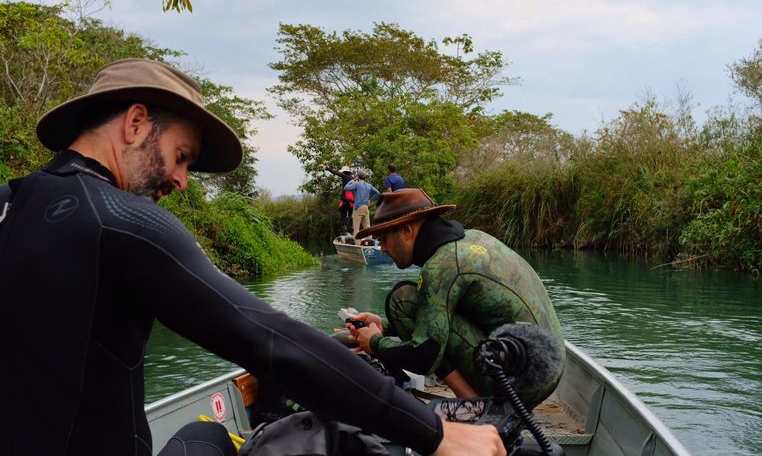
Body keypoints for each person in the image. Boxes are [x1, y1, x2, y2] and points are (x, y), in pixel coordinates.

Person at [0, 59, 505, 456]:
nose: (180, 181)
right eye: (182, 157)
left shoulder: (9, 201)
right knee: (220, 438)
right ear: (135, 123)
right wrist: (435, 433)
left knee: (208, 436)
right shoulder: (123, 221)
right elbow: (273, 341)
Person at [348, 188, 565, 409]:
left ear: (406, 231)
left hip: (520, 383)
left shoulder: (441, 266)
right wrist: (384, 328)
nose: (382, 248)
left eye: (384, 239)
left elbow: (423, 357)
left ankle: (473, 404)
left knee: (402, 300)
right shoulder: (472, 238)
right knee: (418, 305)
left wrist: (374, 343)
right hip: (546, 368)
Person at [344, 170, 381, 241]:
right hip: (366, 207)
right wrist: (370, 200)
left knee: (356, 228)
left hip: (358, 208)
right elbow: (377, 193)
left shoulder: (357, 184)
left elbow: (346, 188)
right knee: (367, 228)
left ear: (358, 177)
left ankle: (358, 247)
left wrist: (351, 181)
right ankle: (369, 245)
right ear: (365, 177)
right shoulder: (368, 185)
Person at [319, 163, 354, 233]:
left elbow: (336, 173)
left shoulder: (344, 176)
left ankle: (345, 227)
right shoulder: (352, 178)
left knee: (343, 213)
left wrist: (327, 168)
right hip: (352, 201)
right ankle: (349, 228)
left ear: (344, 172)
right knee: (350, 214)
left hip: (345, 200)